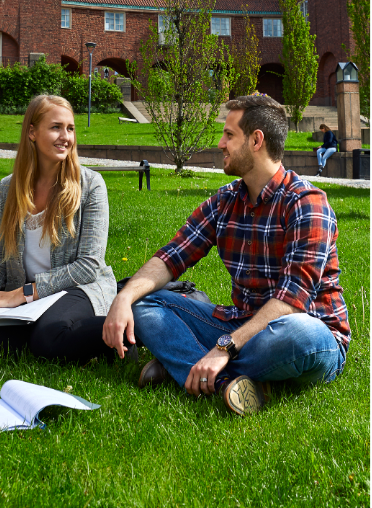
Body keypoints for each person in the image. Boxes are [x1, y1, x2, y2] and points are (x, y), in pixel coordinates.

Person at [102, 95, 349, 416]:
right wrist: (123, 297)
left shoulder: (306, 203)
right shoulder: (226, 200)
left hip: (311, 333)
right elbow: (171, 257)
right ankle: (226, 383)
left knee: (298, 333)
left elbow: (292, 302)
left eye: (229, 135)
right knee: (145, 301)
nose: (221, 143)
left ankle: (188, 366)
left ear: (256, 140)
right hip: (242, 323)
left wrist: (225, 347)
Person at [0, 94, 117, 364]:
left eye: (70, 128)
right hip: (29, 302)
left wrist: (21, 294)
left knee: (48, 336)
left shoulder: (91, 184)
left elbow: (88, 266)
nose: (66, 137)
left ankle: (128, 328)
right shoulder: (7, 189)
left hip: (78, 288)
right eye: (56, 127)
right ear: (32, 132)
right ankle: (61, 337)